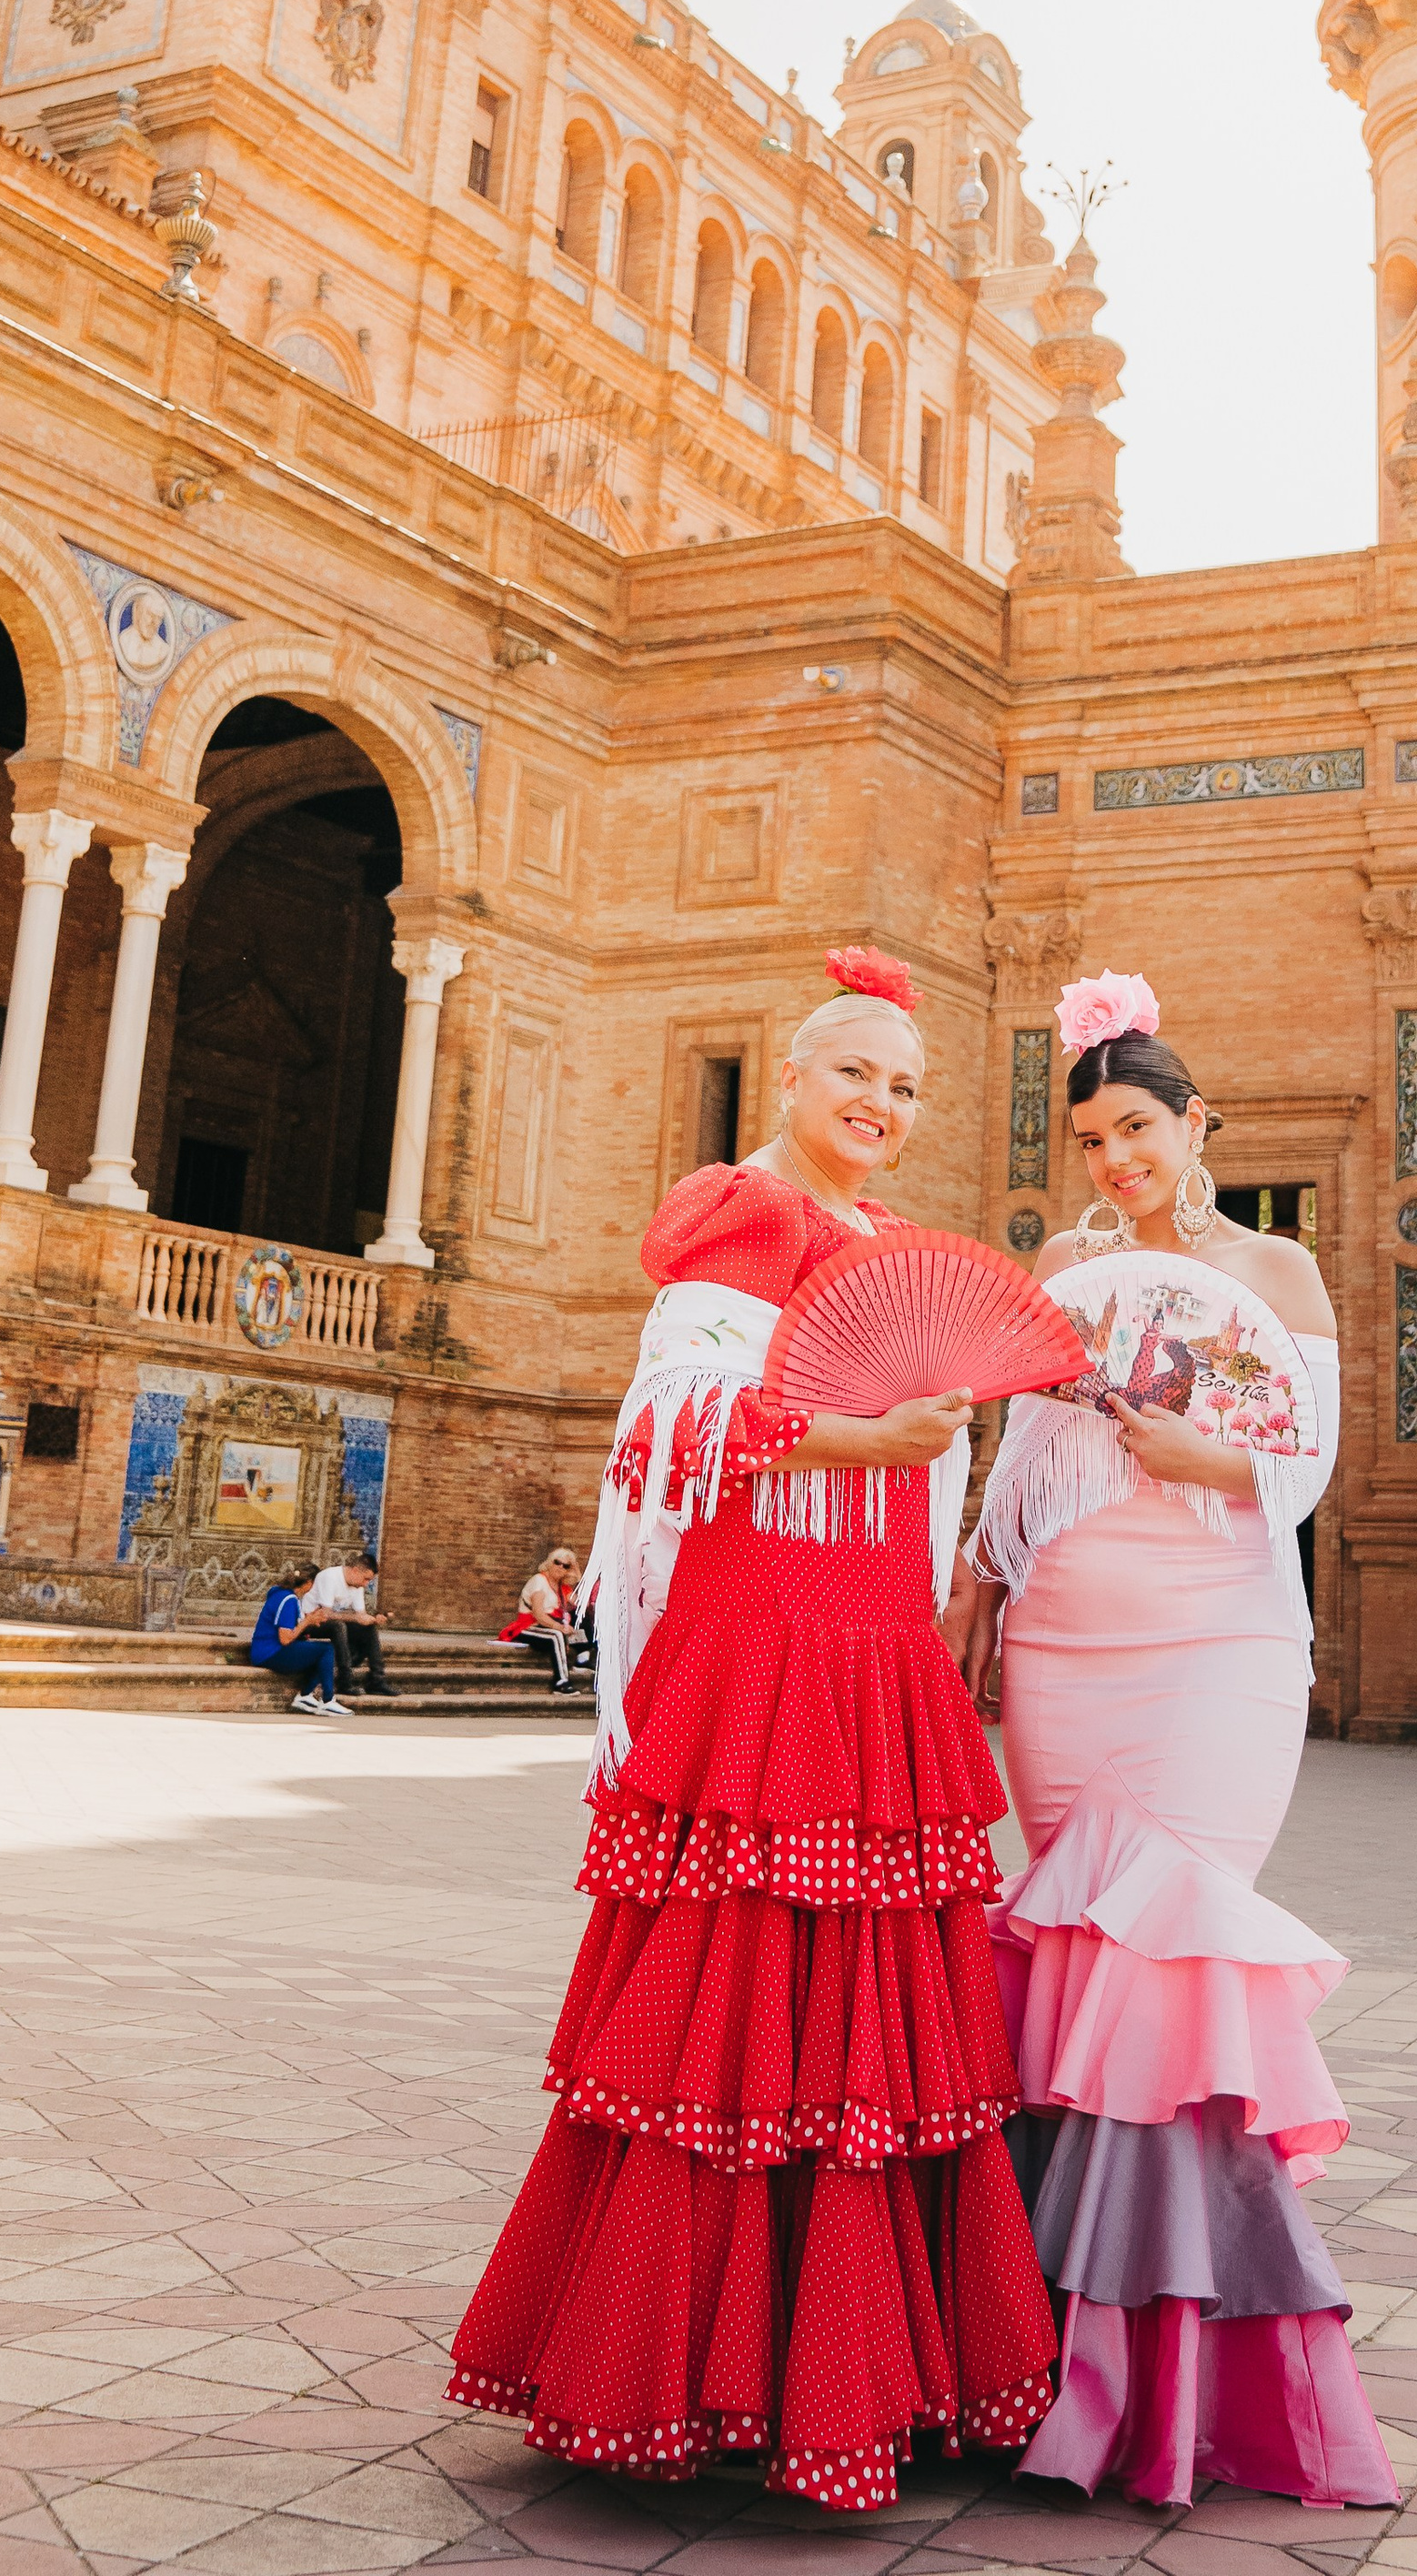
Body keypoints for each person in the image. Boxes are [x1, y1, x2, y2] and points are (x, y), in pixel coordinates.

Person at [448, 945, 1056, 2509]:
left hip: (870, 1644)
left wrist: (934, 1502)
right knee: (731, 2005)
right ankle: (678, 2372)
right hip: (767, 1636)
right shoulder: (752, 1215)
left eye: (906, 1086)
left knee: (867, 2023)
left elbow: (914, 1462)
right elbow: (676, 1419)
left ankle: (849, 2373)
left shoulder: (890, 1245)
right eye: (854, 1071)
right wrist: (870, 1433)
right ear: (788, 1077)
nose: (880, 1103)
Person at [956, 971, 1397, 2511]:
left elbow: (1306, 1459)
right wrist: (978, 1585)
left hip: (1218, 1642)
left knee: (1171, 1959)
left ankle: (1155, 2379)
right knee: (1076, 1962)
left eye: (1138, 1129)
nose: (1118, 1160)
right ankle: (1029, 2353)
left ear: (1199, 1122)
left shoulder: (1275, 1270)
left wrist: (1201, 1449)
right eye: (1092, 1140)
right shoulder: (1066, 1267)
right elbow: (1017, 1456)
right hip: (1065, 1640)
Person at [247, 1563, 352, 1718]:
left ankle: (305, 1695)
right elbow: (285, 1639)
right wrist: (308, 1621)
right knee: (327, 1649)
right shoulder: (288, 1600)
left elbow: (292, 1628)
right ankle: (327, 1700)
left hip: (266, 1651)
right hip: (269, 1653)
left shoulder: (282, 1594)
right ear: (309, 1583)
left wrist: (310, 1621)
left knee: (319, 1652)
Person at [307, 1551, 393, 1695]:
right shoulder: (330, 1577)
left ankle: (377, 1680)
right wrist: (356, 1618)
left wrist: (373, 1619)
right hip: (311, 1622)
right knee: (338, 1626)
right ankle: (345, 1681)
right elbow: (325, 1614)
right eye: (365, 1579)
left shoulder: (357, 1586)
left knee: (368, 1628)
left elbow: (360, 1615)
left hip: (332, 1623)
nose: (366, 1584)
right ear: (355, 1571)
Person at [500, 1548, 584, 1694]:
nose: (560, 1567)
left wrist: (577, 1574)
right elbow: (538, 1614)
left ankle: (583, 1658)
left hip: (547, 1627)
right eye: (557, 1562)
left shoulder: (562, 1587)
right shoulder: (539, 1581)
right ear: (550, 1563)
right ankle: (561, 1681)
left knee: (582, 1626)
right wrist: (559, 1627)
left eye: (566, 1566)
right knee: (556, 1635)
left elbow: (581, 1604)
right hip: (527, 1627)